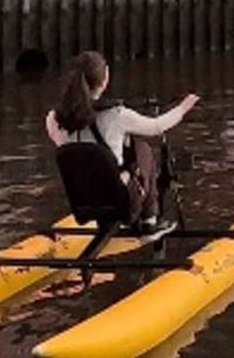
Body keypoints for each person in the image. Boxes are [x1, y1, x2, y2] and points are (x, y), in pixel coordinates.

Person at [45, 50, 200, 234]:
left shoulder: (55, 118)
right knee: (143, 149)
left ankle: (109, 222)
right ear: (106, 78)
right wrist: (184, 107)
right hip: (120, 202)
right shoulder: (117, 115)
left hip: (84, 202)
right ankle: (150, 221)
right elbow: (157, 127)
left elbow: (70, 148)